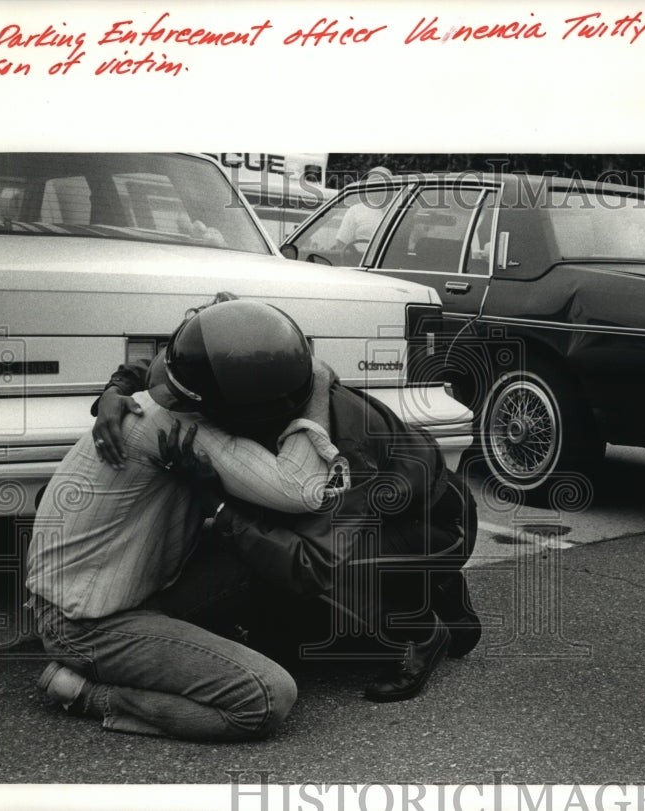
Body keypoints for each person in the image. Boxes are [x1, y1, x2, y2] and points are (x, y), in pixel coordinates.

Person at [92, 297, 481, 703]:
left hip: (431, 526)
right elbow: (179, 371)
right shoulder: (267, 376)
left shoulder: (343, 453)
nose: (183, 413)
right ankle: (434, 591)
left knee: (305, 572)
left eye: (194, 409)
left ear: (246, 407)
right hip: (383, 515)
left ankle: (419, 627)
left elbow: (311, 566)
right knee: (281, 637)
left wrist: (216, 506)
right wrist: (113, 393)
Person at [26, 298, 347, 739]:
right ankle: (84, 690)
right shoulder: (170, 424)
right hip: (87, 624)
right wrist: (317, 383)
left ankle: (188, 655)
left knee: (250, 550)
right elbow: (303, 489)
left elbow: (187, 340)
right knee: (266, 697)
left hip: (120, 594)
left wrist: (114, 388)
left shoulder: (181, 374)